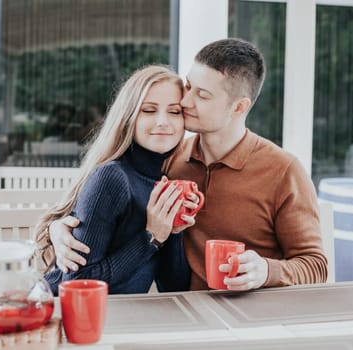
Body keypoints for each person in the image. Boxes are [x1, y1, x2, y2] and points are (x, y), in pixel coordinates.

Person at [50, 38, 328, 291]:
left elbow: (316, 265)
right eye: (189, 86)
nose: (184, 101)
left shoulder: (283, 171)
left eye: (202, 95)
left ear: (238, 108)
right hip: (181, 309)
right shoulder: (169, 159)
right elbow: (97, 207)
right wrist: (57, 230)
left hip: (254, 317)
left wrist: (267, 270)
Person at [35, 65, 195, 295]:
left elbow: (173, 286)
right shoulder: (111, 178)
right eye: (149, 110)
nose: (163, 121)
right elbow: (77, 283)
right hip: (59, 315)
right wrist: (150, 237)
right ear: (129, 117)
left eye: (174, 111)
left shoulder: (164, 180)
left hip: (119, 319)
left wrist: (172, 232)